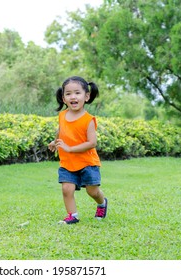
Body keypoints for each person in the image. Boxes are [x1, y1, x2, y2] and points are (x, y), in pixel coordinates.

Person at [48, 76, 108, 224]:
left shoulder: (88, 120)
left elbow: (92, 143)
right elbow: (61, 130)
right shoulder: (62, 115)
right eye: (68, 94)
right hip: (68, 162)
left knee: (92, 191)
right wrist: (55, 142)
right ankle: (72, 216)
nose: (73, 97)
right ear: (63, 98)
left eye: (77, 93)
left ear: (86, 96)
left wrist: (70, 148)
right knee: (67, 189)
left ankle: (102, 203)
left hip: (88, 163)